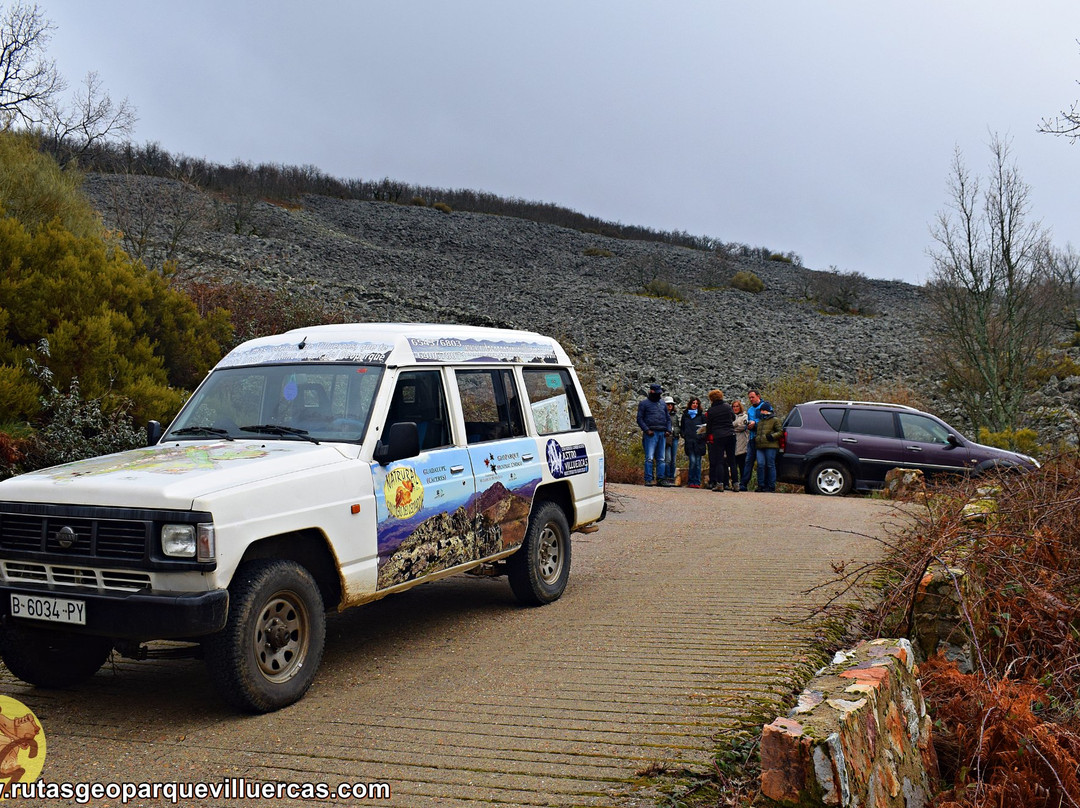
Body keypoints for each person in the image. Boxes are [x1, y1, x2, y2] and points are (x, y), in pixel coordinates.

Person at [637, 383, 672, 486]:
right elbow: (639, 418)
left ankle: (660, 478)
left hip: (662, 433)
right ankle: (648, 478)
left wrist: (668, 430)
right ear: (651, 391)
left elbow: (668, 419)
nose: (658, 395)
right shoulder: (644, 404)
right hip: (651, 433)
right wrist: (646, 430)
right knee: (649, 457)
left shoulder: (662, 403)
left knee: (661, 458)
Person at [704, 389, 737, 491]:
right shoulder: (727, 407)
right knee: (732, 460)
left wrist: (706, 436)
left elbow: (709, 426)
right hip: (731, 434)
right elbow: (733, 417)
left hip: (718, 436)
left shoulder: (711, 410)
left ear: (711, 399)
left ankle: (720, 484)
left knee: (719, 460)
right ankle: (736, 483)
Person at [754, 401, 783, 492]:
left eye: (763, 410)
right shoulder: (760, 421)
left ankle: (771, 486)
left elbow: (780, 432)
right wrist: (756, 439)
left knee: (770, 465)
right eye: (761, 410)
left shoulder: (775, 420)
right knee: (760, 465)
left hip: (771, 446)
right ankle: (761, 485)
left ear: (768, 410)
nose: (762, 412)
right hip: (760, 446)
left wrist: (772, 436)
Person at [680, 397, 707, 488]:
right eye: (693, 403)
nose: (695, 405)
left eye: (696, 403)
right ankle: (691, 481)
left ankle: (697, 482)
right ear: (690, 404)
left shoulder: (702, 416)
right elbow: (682, 428)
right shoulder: (685, 416)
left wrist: (701, 437)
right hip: (689, 442)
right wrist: (684, 435)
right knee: (692, 462)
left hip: (699, 442)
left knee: (698, 463)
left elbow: (705, 429)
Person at [739, 389, 763, 491]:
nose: (751, 399)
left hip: (761, 439)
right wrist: (748, 425)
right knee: (748, 461)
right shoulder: (750, 410)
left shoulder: (765, 406)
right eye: (749, 398)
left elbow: (767, 421)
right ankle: (743, 484)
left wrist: (755, 423)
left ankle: (761, 485)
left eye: (752, 397)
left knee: (761, 463)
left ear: (758, 396)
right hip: (752, 438)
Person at [732, 399, 750, 485]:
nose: (735, 408)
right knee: (733, 466)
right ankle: (735, 483)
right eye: (734, 406)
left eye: (737, 406)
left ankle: (743, 484)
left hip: (742, 445)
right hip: (733, 445)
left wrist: (732, 426)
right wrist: (736, 425)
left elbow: (743, 427)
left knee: (742, 466)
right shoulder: (730, 416)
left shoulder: (745, 416)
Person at [662, 396, 679, 486]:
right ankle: (667, 476)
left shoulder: (675, 416)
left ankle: (672, 477)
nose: (670, 406)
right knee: (667, 459)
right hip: (666, 438)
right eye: (668, 404)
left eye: (671, 404)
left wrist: (676, 432)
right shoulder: (662, 415)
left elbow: (677, 426)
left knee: (673, 460)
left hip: (674, 437)